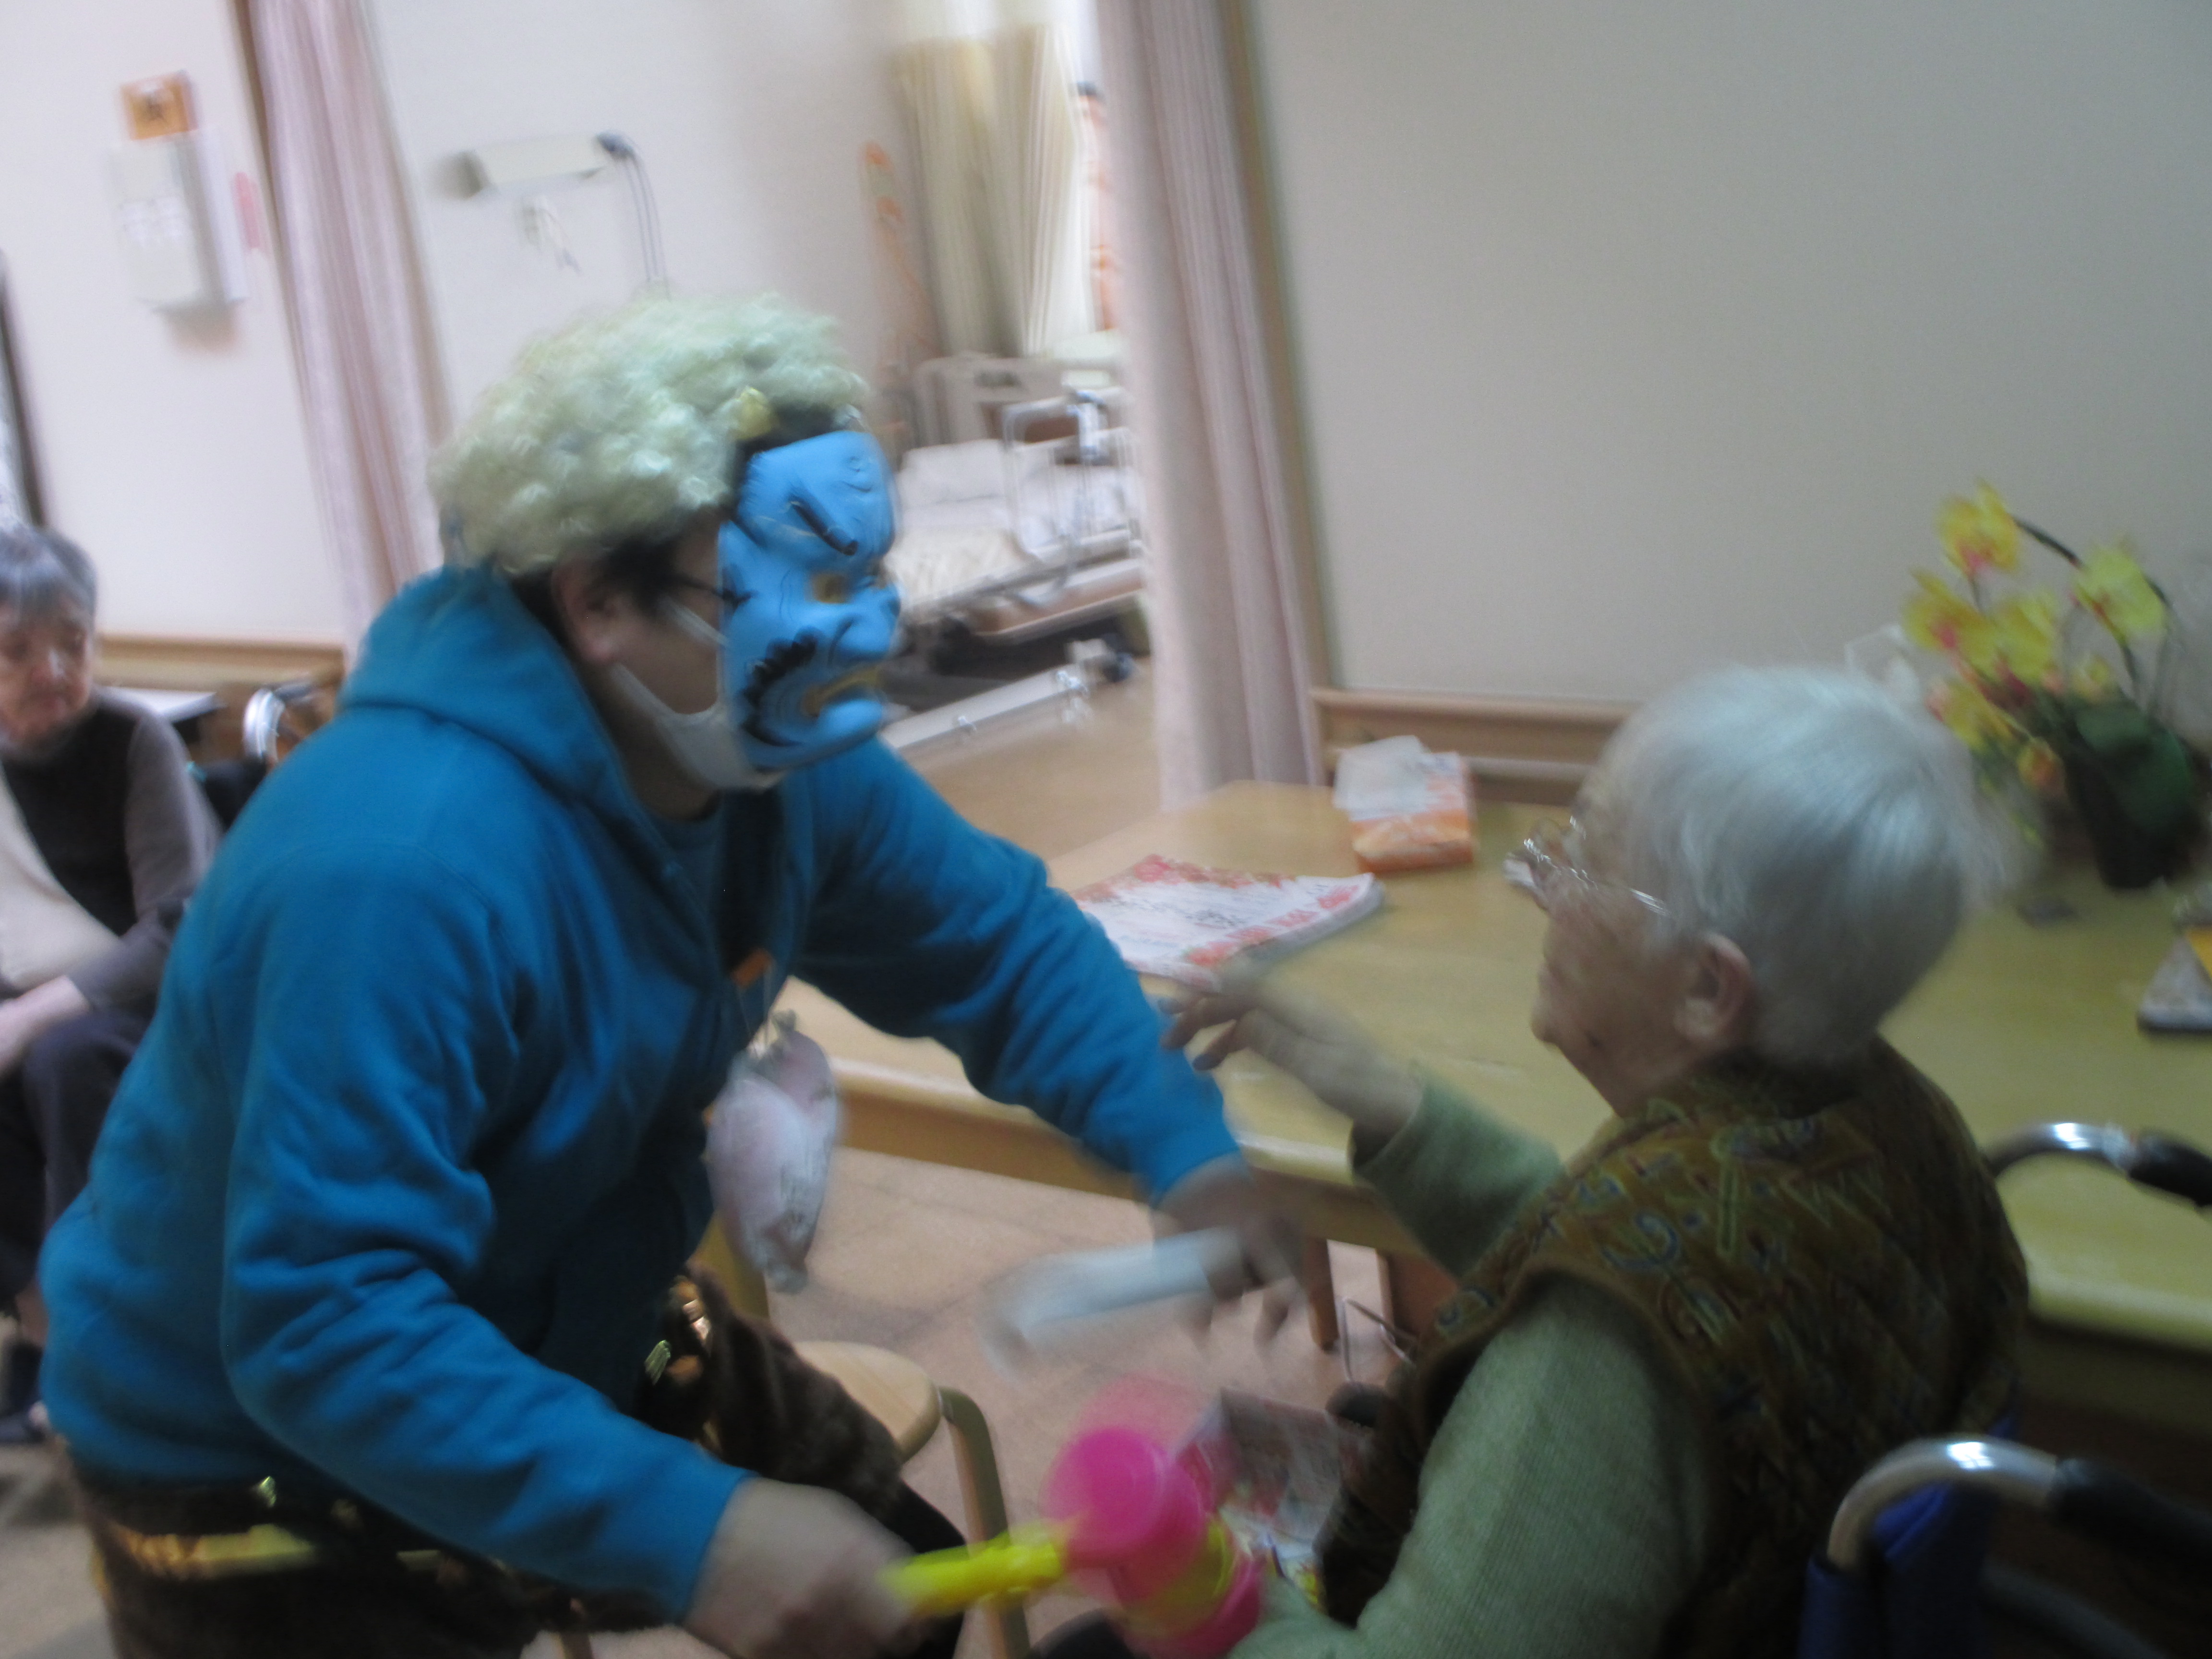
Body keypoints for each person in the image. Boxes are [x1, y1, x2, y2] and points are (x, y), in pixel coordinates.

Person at [39, 295, 1290, 1659]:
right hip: (243, 1446)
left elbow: (995, 946)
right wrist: (691, 1533)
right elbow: (325, 1324)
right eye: (802, 586)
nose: (866, 637)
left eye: (869, 576)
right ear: (598, 603)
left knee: (891, 1612)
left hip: (568, 1300)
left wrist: (1183, 1147)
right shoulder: (397, 865)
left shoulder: (780, 771)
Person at [1156, 666, 2028, 1659]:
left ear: (1707, 989)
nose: (1535, 881)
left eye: (1584, 860)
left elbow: (1625, 1308)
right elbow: (1657, 1267)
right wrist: (1393, 1103)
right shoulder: (1895, 1119)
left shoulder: (1598, 1361)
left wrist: (1213, 1609)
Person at [0, 525, 214, 1445]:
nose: (52, 670)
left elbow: (176, 930)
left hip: (158, 1006)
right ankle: (46, 1326)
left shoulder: (135, 742)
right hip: (39, 1005)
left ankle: (113, 1331)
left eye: (73, 641)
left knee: (61, 1058)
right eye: (16, 649)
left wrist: (28, 1018)